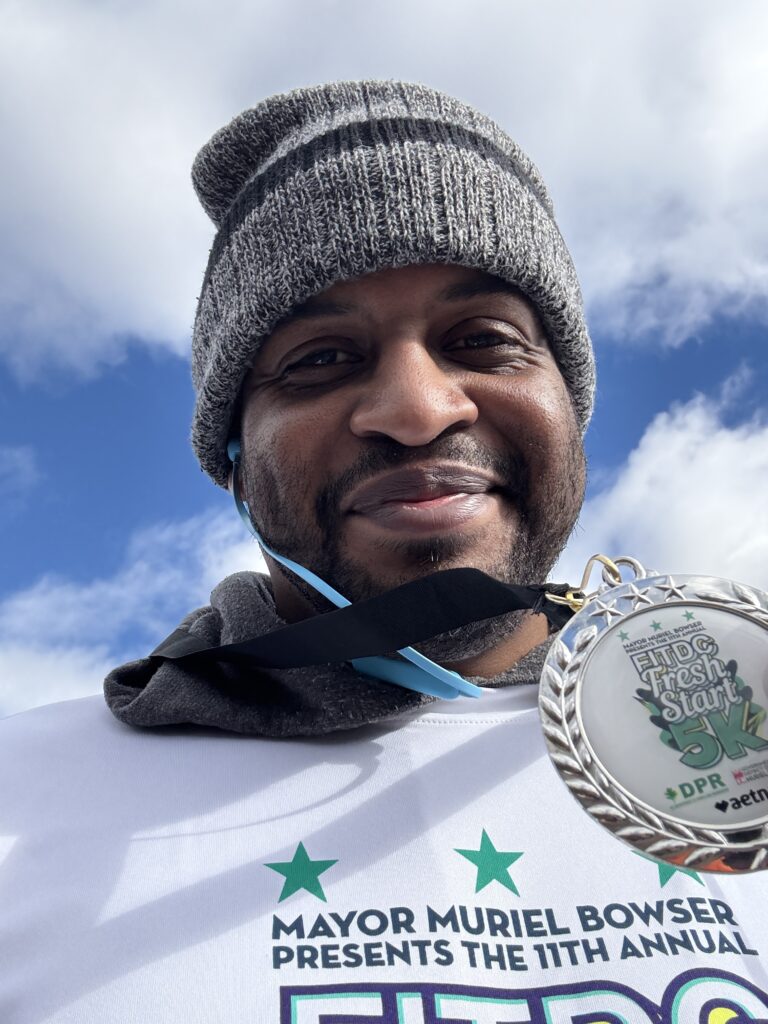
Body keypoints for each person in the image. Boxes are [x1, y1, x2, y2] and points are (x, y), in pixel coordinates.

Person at [1, 80, 766, 1023]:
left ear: (573, 407)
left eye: (483, 340)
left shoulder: (737, 735)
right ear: (231, 463)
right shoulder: (22, 801)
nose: (417, 408)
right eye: (320, 357)